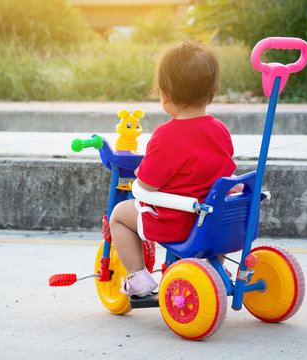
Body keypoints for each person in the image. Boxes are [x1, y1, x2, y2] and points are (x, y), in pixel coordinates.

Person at [109, 41, 237, 297]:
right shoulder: (220, 131)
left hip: (177, 223)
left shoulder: (165, 136)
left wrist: (142, 173)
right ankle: (214, 270)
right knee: (210, 213)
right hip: (216, 222)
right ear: (213, 90)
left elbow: (146, 186)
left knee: (119, 215)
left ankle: (137, 277)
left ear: (165, 94)